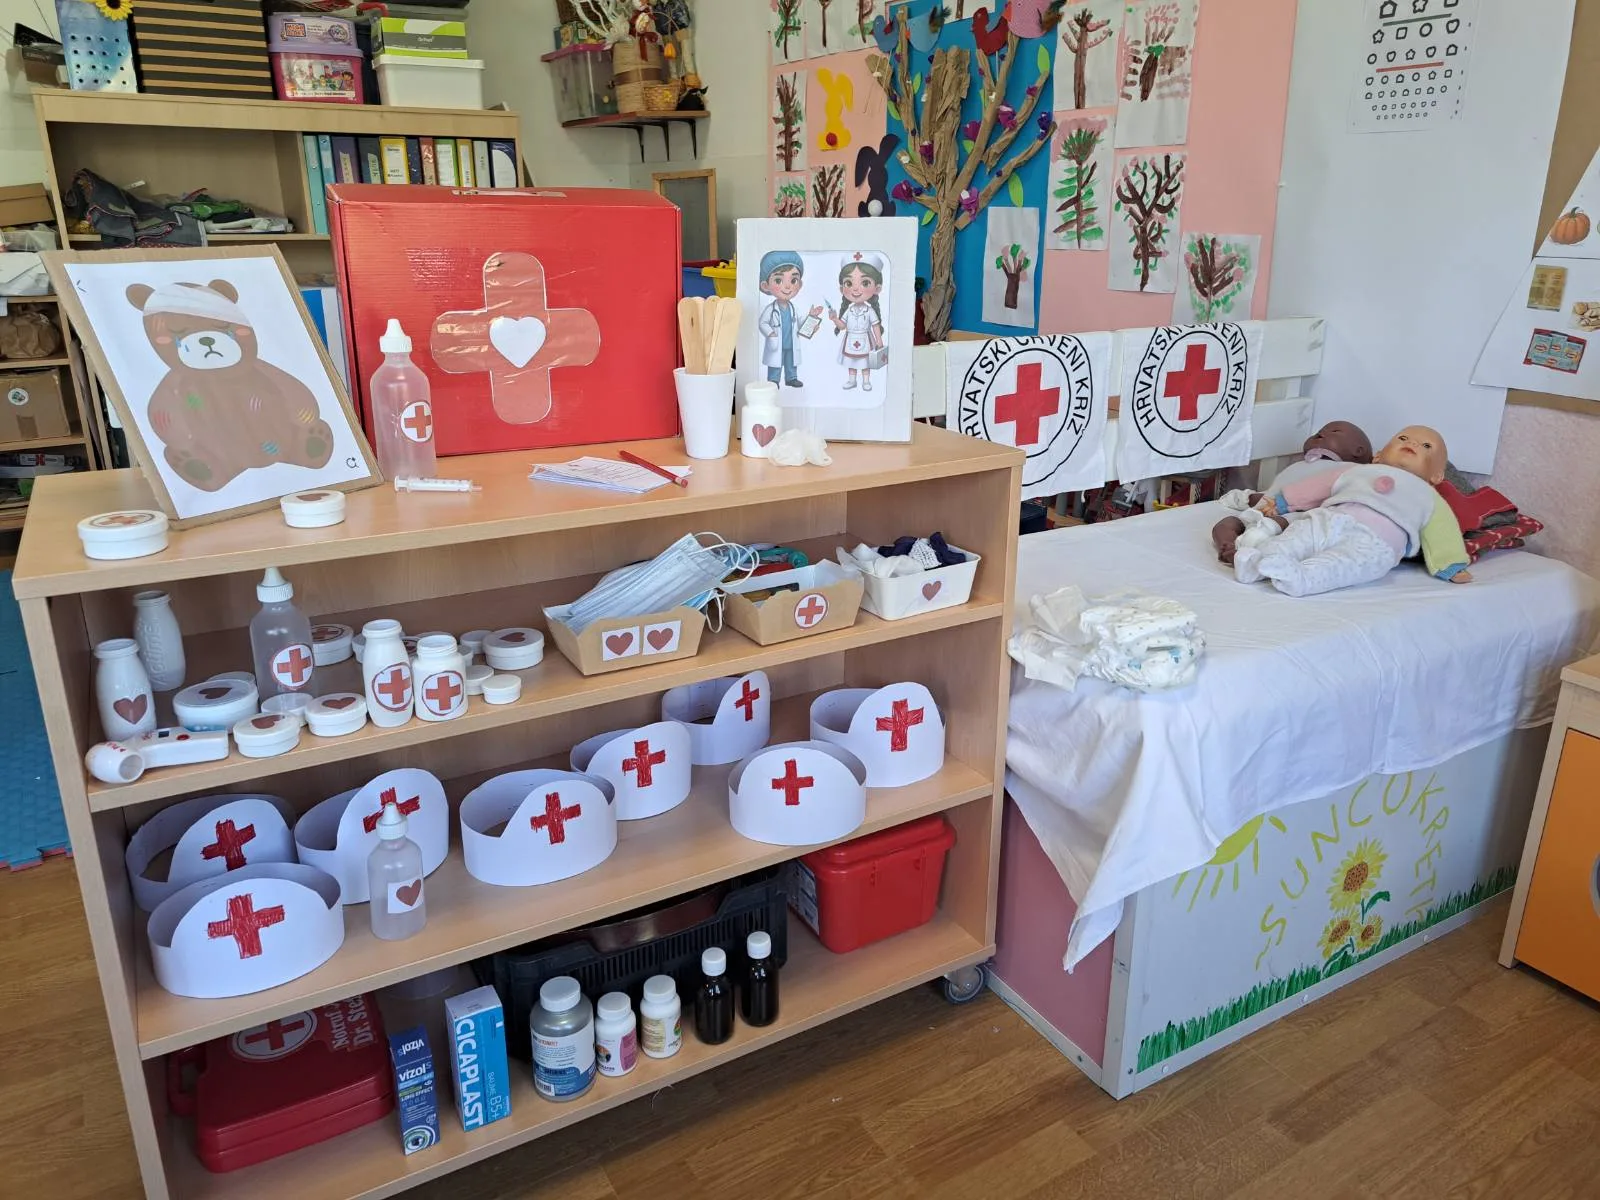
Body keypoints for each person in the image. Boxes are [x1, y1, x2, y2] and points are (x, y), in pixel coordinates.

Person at [1233, 425, 1473, 596]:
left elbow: (1442, 531)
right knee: (1297, 537)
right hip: (1331, 519)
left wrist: (1450, 564)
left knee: (1344, 564)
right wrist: (1283, 501)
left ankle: (1303, 578)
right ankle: (1256, 563)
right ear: (1378, 457)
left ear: (1437, 476)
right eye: (1403, 438)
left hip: (1377, 542)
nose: (1412, 444)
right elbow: (1318, 486)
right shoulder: (1357, 471)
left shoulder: (1428, 496)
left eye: (1426, 446)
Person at [1211, 420, 1373, 564]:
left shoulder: (1350, 472)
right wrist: (1249, 498)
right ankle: (1229, 546)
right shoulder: (1300, 466)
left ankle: (1257, 552)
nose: (1322, 432)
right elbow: (1275, 494)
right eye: (1320, 430)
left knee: (1279, 526)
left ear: (1358, 451)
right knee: (1226, 523)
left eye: (1335, 431)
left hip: (1297, 517)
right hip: (1265, 511)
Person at [757, 251, 822, 388]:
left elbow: (801, 322)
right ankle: (773, 380)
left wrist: (812, 319)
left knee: (791, 362)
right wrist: (771, 333)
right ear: (765, 285)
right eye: (778, 280)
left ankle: (791, 378)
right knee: (775, 363)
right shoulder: (770, 309)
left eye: (793, 281)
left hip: (791, 344)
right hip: (776, 342)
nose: (787, 287)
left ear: (800, 284)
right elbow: (762, 323)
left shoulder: (794, 308)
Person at [829, 252, 887, 391]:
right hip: (850, 339)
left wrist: (879, 341)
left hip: (866, 339)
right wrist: (835, 319)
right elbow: (842, 326)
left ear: (877, 288)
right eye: (849, 283)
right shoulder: (849, 310)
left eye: (865, 283)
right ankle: (852, 380)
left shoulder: (869, 311)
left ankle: (866, 381)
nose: (855, 289)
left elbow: (875, 326)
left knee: (865, 363)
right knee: (852, 362)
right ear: (842, 289)